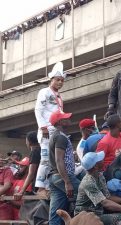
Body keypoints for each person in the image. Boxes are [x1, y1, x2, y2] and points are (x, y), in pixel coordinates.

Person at [75, 152, 121, 225]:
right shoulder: (88, 183)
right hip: (85, 218)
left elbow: (108, 197)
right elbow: (105, 203)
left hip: (96, 214)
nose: (103, 160)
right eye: (99, 160)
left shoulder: (100, 176)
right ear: (95, 166)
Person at [35, 62, 66, 192]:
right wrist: (43, 127)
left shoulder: (59, 96)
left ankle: (49, 185)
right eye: (57, 80)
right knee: (46, 158)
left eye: (62, 81)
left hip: (55, 131)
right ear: (51, 79)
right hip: (46, 131)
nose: (60, 83)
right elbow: (38, 109)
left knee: (54, 160)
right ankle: (40, 187)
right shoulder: (44, 92)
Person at [48, 110, 80, 225]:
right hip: (63, 176)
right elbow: (59, 160)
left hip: (54, 177)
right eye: (65, 118)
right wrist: (67, 182)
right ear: (60, 122)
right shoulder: (60, 137)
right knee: (87, 195)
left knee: (56, 214)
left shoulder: (55, 136)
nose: (69, 119)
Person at [14, 131, 41, 200]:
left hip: (38, 185)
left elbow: (31, 173)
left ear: (29, 141)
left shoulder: (34, 152)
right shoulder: (42, 150)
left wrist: (21, 191)